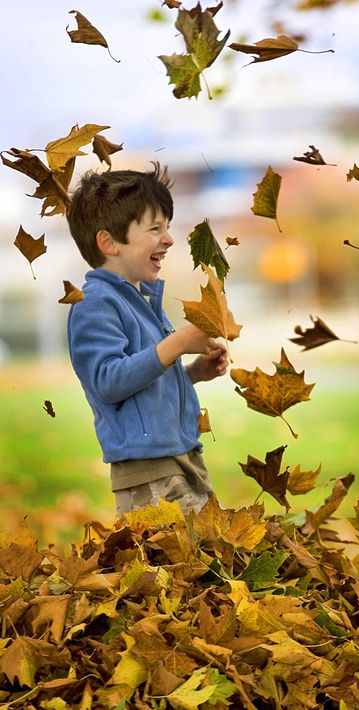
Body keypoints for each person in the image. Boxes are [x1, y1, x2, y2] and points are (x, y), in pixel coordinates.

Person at [66, 163, 228, 517]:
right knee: (175, 565)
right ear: (109, 242)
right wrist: (179, 342)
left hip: (181, 454)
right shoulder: (94, 304)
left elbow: (143, 387)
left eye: (167, 227)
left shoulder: (139, 300)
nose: (169, 239)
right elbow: (109, 382)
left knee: (208, 555)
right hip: (148, 469)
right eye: (156, 228)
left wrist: (192, 372)